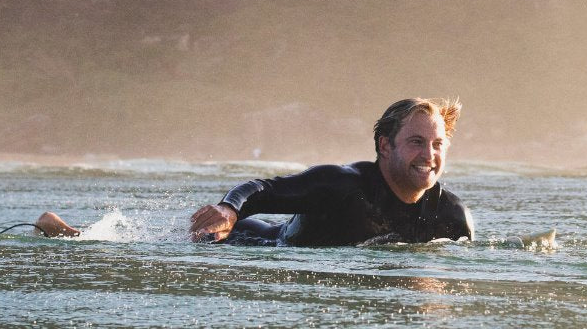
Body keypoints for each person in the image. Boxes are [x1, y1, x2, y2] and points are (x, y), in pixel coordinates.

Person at [185, 97, 473, 246]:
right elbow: (263, 190)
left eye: (438, 144)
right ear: (385, 146)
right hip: (251, 244)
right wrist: (229, 211)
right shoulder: (340, 186)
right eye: (416, 142)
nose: (429, 155)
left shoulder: (451, 215)